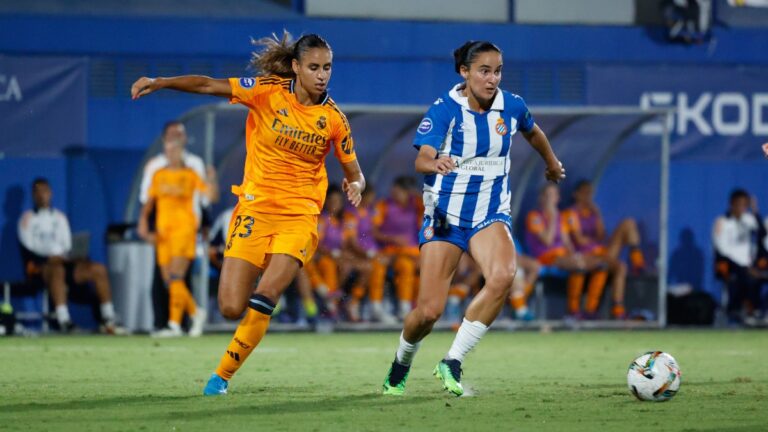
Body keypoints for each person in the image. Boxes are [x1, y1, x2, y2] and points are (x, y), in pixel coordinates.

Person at [132, 31, 364, 395]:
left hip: (299, 216)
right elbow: (209, 85)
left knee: (266, 293)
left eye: (328, 67)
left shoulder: (334, 120)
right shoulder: (266, 91)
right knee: (229, 306)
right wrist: (162, 82)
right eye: (314, 67)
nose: (322, 75)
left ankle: (220, 378)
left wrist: (357, 186)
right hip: (255, 208)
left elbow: (355, 172)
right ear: (296, 67)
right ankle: (259, 307)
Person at [382, 40, 565, 397]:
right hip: (445, 216)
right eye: (484, 70)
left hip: (490, 212)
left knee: (504, 276)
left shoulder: (511, 106)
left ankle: (452, 360)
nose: (492, 78)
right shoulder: (444, 110)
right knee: (429, 312)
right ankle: (402, 361)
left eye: (497, 71)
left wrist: (551, 163)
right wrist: (434, 163)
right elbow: (421, 159)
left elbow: (533, 131)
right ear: (464, 72)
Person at [17, 178, 122, 334]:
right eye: (38, 192)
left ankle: (108, 317)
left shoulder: (60, 217)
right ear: (33, 195)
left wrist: (71, 255)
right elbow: (30, 246)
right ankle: (64, 320)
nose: (42, 195)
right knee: (57, 269)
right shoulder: (27, 219)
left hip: (64, 262)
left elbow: (66, 244)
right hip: (40, 267)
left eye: (45, 191)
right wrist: (50, 256)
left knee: (97, 269)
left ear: (51, 193)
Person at [138, 139, 219, 337]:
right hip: (163, 232)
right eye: (168, 149)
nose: (171, 152)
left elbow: (211, 197)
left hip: (184, 231)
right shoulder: (158, 174)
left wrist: (212, 179)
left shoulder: (190, 174)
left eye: (175, 148)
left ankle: (175, 324)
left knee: (176, 275)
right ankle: (195, 312)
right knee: (169, 279)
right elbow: (149, 203)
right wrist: (142, 223)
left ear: (181, 152)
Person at [562, 180, 646, 319]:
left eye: (590, 193)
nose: (588, 196)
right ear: (576, 194)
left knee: (628, 223)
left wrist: (598, 214)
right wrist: (593, 241)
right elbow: (579, 240)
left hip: (601, 252)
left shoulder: (592, 213)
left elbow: (601, 236)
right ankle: (615, 310)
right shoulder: (570, 213)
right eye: (585, 192)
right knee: (620, 267)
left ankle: (638, 263)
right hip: (586, 255)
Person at [525, 184, 608, 319]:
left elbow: (566, 242)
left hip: (563, 256)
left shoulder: (560, 217)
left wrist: (575, 254)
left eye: (555, 195)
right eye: (549, 195)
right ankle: (573, 311)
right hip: (545, 257)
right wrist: (552, 218)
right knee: (578, 265)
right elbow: (548, 241)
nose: (553, 199)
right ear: (542, 198)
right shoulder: (534, 216)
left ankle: (590, 310)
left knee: (600, 265)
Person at [372, 176, 423, 320]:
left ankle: (408, 307)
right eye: (394, 189)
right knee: (385, 265)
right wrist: (392, 239)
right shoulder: (383, 205)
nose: (394, 193)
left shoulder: (416, 204)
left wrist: (414, 192)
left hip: (411, 253)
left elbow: (431, 204)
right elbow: (373, 231)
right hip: (389, 252)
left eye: (400, 191)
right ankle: (377, 307)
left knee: (412, 267)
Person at [343, 185, 396, 323]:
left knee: (384, 263)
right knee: (375, 266)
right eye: (369, 197)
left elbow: (375, 233)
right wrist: (370, 254)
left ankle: (375, 305)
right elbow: (352, 242)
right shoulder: (351, 214)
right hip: (358, 254)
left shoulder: (370, 212)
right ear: (361, 196)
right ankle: (368, 305)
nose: (371, 200)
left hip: (372, 252)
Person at [712, 189, 763, 325]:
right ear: (731, 204)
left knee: (755, 276)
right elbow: (721, 249)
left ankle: (752, 311)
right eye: (739, 204)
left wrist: (755, 210)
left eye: (745, 205)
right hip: (727, 265)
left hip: (747, 265)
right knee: (746, 277)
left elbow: (761, 232)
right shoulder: (722, 221)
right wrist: (743, 268)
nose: (742, 208)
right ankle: (736, 309)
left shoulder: (748, 219)